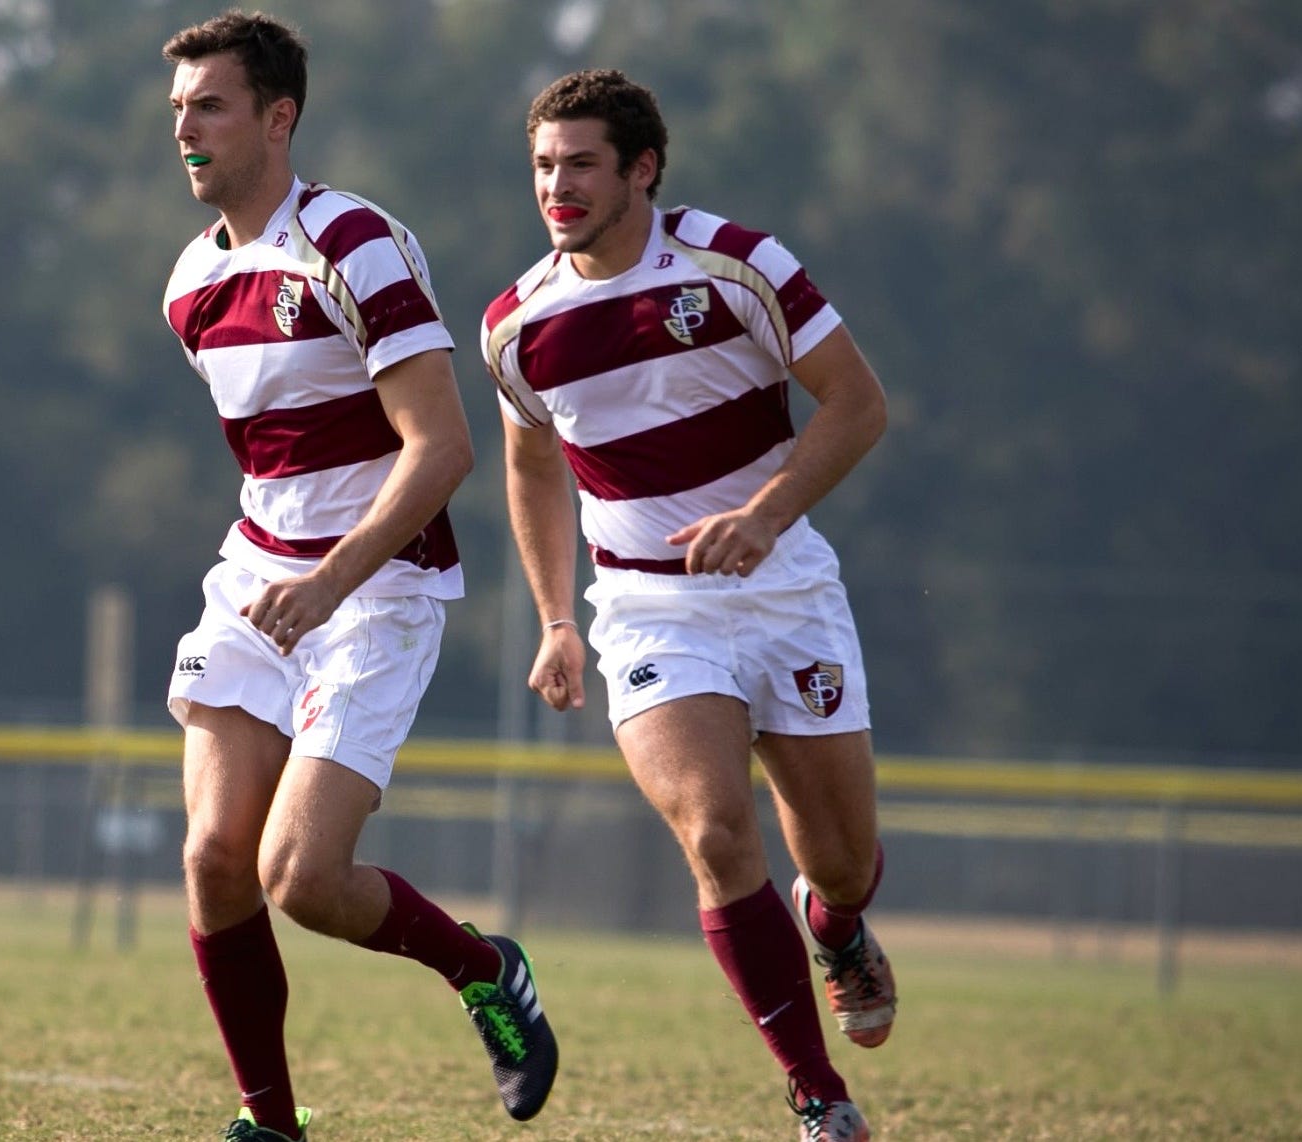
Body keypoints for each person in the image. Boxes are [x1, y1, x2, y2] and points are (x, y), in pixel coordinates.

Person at [160, 12, 557, 1139]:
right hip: (258, 581)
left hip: (376, 590)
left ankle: (484, 969)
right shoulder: (190, 283)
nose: (185, 128)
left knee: (301, 875)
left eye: (211, 106)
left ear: (277, 118)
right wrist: (285, 574)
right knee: (213, 858)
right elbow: (280, 459)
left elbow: (444, 449)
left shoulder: (354, 241)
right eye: (179, 108)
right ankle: (270, 1124)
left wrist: (329, 582)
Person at [483, 68, 894, 1142]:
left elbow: (858, 404)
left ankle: (833, 923)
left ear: (643, 169)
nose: (557, 187)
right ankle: (819, 1094)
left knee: (844, 862)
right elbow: (530, 466)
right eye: (543, 166)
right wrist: (558, 618)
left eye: (581, 164)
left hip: (785, 587)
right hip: (649, 610)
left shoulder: (739, 264)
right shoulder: (517, 323)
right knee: (715, 830)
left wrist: (765, 512)